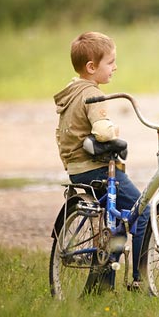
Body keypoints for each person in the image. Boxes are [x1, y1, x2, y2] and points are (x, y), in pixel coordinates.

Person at [54, 31, 149, 290]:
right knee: (143, 212)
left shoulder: (72, 92)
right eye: (111, 62)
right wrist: (114, 132)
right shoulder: (92, 95)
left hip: (76, 168)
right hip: (95, 168)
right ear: (91, 67)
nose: (115, 67)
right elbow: (103, 131)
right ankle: (140, 278)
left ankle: (102, 284)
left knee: (118, 222)